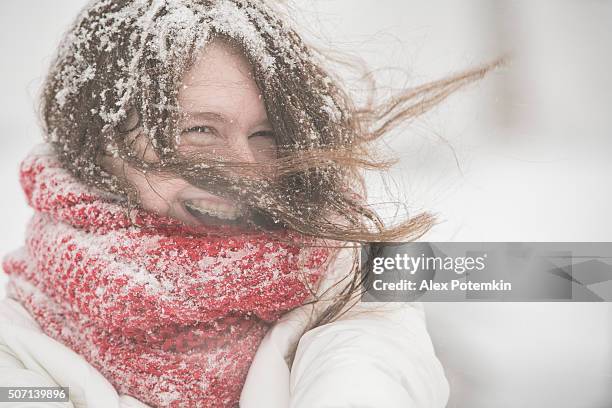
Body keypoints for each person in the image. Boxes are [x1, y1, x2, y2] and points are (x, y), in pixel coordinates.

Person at [0, 1, 495, 406]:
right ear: (96, 145)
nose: (246, 167)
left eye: (265, 134)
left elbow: (368, 364)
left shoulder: (341, 274)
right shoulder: (17, 334)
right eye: (199, 130)